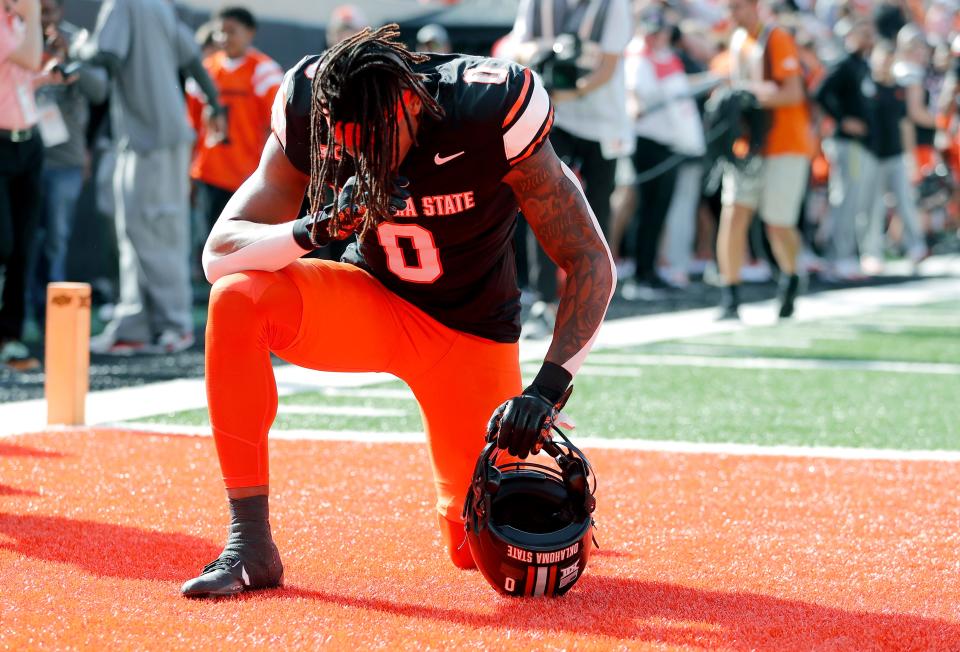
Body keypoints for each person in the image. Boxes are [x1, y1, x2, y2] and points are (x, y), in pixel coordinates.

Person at [180, 25, 615, 598]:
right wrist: (311, 229)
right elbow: (220, 252)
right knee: (236, 297)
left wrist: (547, 389)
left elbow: (590, 261)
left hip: (469, 330)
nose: (366, 160)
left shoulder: (487, 109)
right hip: (370, 299)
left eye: (379, 141)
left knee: (483, 552)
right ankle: (250, 542)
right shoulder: (310, 104)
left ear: (413, 103)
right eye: (351, 146)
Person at [77, 0, 224, 355]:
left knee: (157, 231)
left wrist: (79, 47)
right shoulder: (157, 5)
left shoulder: (124, 3)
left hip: (153, 140)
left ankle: (175, 325)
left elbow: (107, 55)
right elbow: (191, 58)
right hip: (143, 138)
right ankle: (136, 324)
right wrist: (215, 104)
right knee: (136, 230)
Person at [510, 0, 631, 337]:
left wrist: (567, 88)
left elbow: (606, 68)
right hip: (553, 115)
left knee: (597, 211)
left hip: (602, 119)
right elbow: (515, 46)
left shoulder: (612, 6)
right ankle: (545, 299)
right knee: (544, 202)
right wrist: (540, 56)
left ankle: (595, 297)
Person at [717, 0, 813, 320]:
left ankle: (791, 274)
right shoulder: (737, 42)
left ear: (756, 6)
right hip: (747, 146)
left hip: (784, 143)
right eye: (729, 8)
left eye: (738, 7)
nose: (733, 15)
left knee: (778, 224)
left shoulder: (775, 37)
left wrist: (749, 95)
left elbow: (793, 93)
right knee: (733, 214)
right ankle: (730, 296)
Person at [28, 0, 108, 325]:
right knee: (25, 239)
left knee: (56, 240)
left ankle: (54, 319)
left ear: (60, 12)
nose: (45, 18)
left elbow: (100, 90)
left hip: (67, 158)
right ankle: (23, 317)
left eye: (50, 11)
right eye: (39, 10)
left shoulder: (79, 40)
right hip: (24, 156)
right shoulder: (16, 39)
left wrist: (71, 57)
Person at [188, 7, 283, 235]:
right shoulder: (207, 69)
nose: (223, 38)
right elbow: (191, 124)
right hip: (211, 171)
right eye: (220, 32)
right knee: (209, 240)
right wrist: (187, 171)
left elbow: (278, 127)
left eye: (231, 31)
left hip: (249, 175)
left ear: (250, 33)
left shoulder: (263, 70)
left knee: (246, 241)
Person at [815, 17, 876, 281]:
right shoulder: (844, 64)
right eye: (861, 32)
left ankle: (844, 255)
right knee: (845, 198)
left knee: (854, 199)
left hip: (858, 144)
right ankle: (839, 258)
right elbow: (820, 93)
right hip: (845, 143)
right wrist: (842, 120)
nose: (867, 38)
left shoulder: (862, 65)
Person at [0, 0, 43, 371]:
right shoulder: (18, 19)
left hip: (27, 141)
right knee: (3, 242)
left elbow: (26, 72)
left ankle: (10, 338)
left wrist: (51, 76)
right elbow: (28, 58)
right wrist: (32, 15)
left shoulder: (16, 21)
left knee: (23, 246)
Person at [861, 39, 925, 274]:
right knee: (873, 207)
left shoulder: (898, 89)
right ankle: (872, 252)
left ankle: (916, 248)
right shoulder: (867, 87)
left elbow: (905, 123)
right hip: (873, 155)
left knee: (906, 203)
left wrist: (911, 157)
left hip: (896, 154)